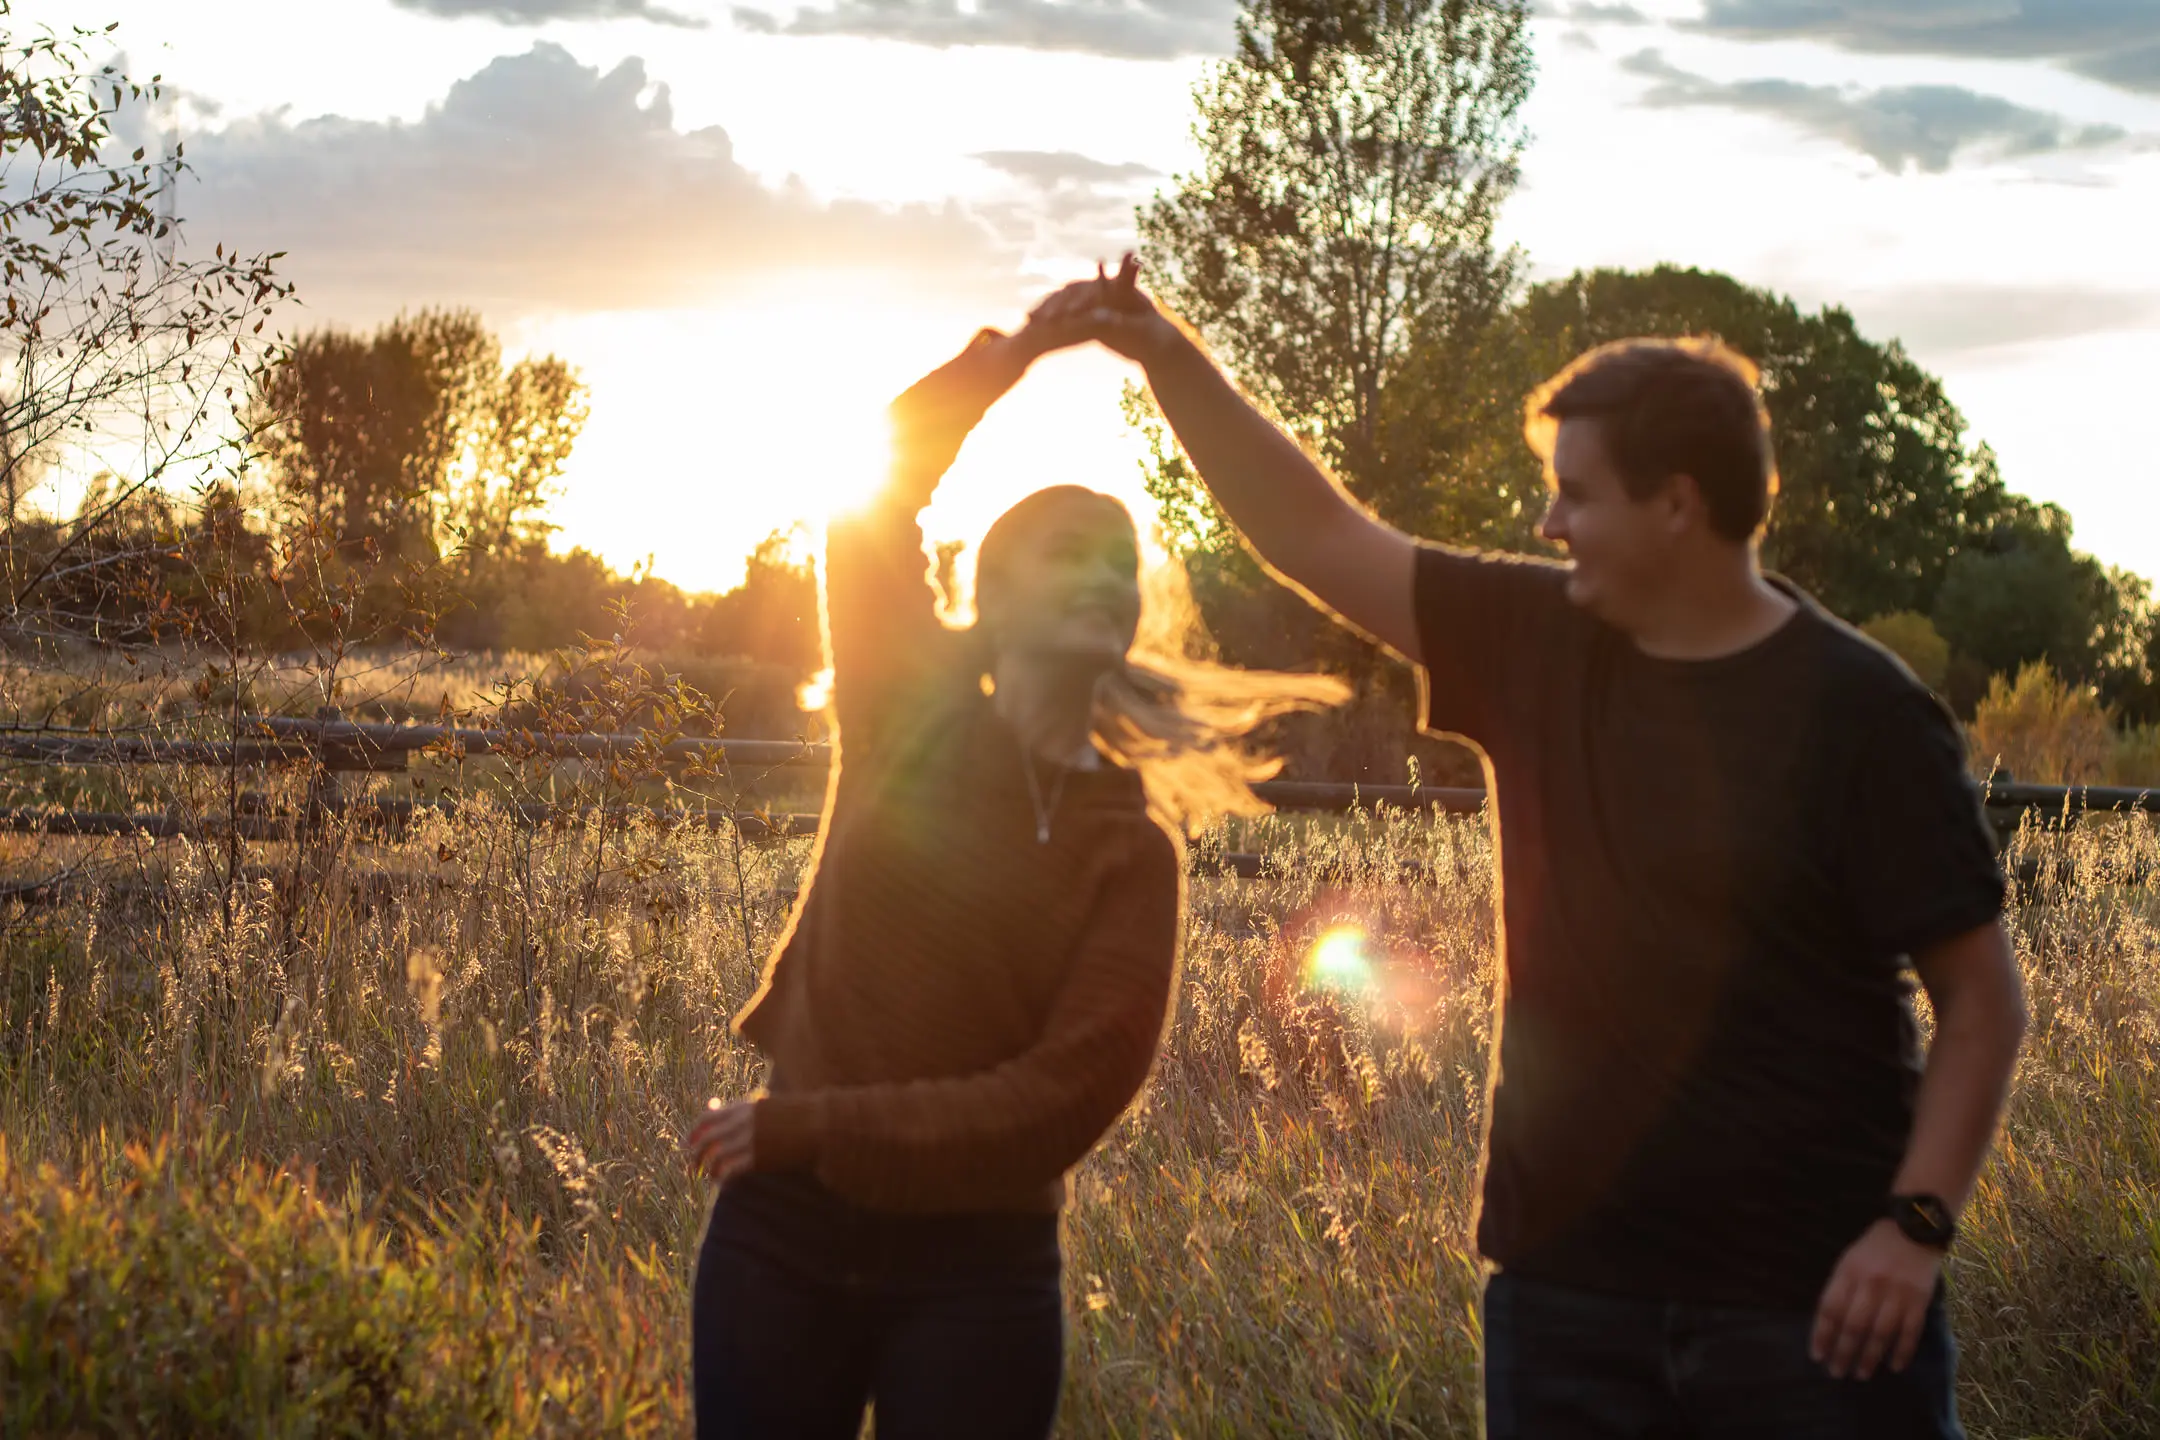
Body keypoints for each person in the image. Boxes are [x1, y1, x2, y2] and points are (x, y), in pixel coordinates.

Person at [1029, 257, 2028, 1439]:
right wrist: (1164, 353)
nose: (1549, 524)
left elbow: (1982, 1004)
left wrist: (1914, 1230)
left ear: (1677, 505)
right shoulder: (1534, 639)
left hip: (1811, 1313)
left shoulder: (1864, 714)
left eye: (1576, 494)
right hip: (1568, 1306)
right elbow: (1311, 532)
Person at [682, 316, 1344, 1440]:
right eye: (1065, 554)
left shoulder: (1132, 854)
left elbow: (1061, 1101)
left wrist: (820, 1127)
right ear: (986, 601)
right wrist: (1004, 361)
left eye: (1117, 563)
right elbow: (874, 502)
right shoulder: (905, 714)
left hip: (979, 1276)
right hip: (782, 1242)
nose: (1102, 577)